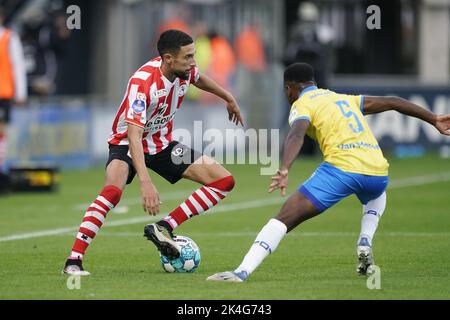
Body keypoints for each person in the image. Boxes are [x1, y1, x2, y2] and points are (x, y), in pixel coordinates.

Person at [207, 63, 450, 282]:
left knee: (284, 218)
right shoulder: (343, 98)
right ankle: (365, 239)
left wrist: (284, 167)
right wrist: (433, 119)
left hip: (341, 169)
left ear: (290, 88)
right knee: (376, 192)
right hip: (378, 170)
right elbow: (394, 102)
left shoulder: (303, 104)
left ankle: (242, 272)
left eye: (286, 91)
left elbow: (296, 134)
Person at [63, 29, 244, 275]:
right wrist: (145, 182)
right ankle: (74, 261)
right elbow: (134, 136)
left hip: (161, 144)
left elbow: (199, 78)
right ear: (168, 59)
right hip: (126, 143)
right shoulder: (143, 83)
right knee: (112, 192)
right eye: (188, 57)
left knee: (223, 181)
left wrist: (227, 97)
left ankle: (164, 226)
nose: (193, 62)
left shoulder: (185, 71)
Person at [0, 7, 27, 172]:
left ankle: (1, 168)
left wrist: (20, 93)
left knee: (1, 131)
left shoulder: (9, 37)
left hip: (3, 92)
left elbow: (18, 65)